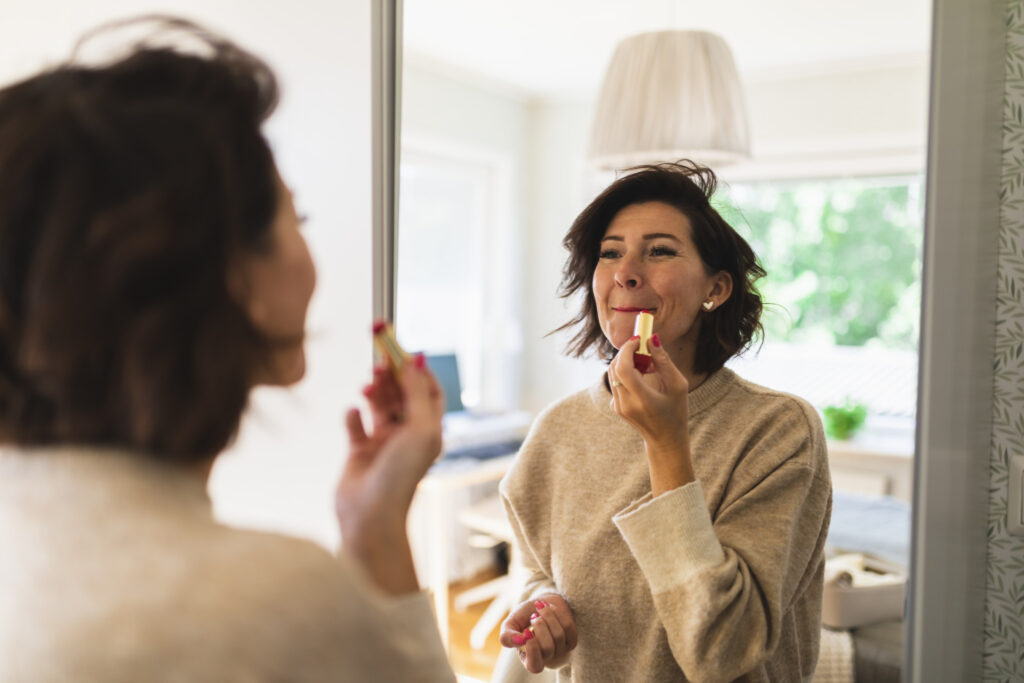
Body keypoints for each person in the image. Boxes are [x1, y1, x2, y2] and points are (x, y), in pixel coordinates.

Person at [0, 17, 455, 682]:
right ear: (235, 276)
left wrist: (373, 522)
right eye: (294, 216)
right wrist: (381, 537)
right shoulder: (278, 599)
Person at [498, 161, 832, 682]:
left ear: (715, 289)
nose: (626, 271)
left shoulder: (780, 431)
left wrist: (667, 444)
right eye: (610, 253)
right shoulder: (556, 431)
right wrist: (543, 608)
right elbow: (537, 569)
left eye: (659, 251)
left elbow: (723, 650)